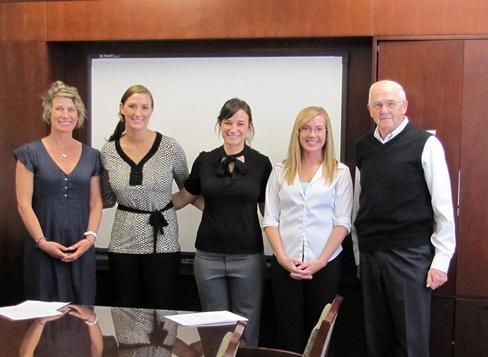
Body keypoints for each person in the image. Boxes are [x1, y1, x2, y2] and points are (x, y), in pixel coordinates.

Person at [352, 80, 456, 357]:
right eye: (378, 104)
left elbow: (443, 206)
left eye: (391, 103)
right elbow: (360, 205)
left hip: (411, 255)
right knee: (376, 339)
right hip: (372, 255)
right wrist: (359, 255)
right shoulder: (363, 147)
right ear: (369, 110)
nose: (384, 110)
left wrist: (441, 260)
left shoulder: (425, 143)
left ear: (404, 106)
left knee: (411, 342)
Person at [172, 98, 272, 346]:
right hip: (208, 257)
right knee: (213, 328)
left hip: (248, 257)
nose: (233, 129)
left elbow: (267, 211)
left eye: (240, 123)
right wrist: (146, 203)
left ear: (250, 127)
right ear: (220, 124)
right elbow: (186, 196)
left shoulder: (262, 163)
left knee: (245, 327)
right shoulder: (205, 160)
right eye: (228, 122)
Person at [262, 106, 353, 353]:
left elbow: (342, 222)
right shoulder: (280, 171)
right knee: (288, 331)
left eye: (318, 128)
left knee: (320, 333)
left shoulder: (340, 172)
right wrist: (281, 258)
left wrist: (321, 261)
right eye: (306, 128)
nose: (312, 134)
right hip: (286, 265)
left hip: (325, 265)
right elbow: (270, 219)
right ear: (298, 132)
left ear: (327, 133)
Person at [101, 84, 188, 309]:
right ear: (122, 108)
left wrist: (164, 207)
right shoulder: (108, 152)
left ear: (152, 110)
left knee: (162, 312)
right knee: (125, 310)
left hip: (163, 243)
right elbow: (106, 198)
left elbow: (189, 189)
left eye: (144, 107)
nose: (137, 113)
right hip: (122, 244)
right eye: (132, 106)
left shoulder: (170, 147)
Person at [14, 81, 102, 305]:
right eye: (59, 108)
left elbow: (95, 202)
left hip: (81, 250)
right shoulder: (30, 153)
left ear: (78, 114)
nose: (65, 114)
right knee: (42, 316)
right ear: (49, 112)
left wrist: (89, 239)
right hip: (42, 249)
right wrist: (42, 242)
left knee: (82, 314)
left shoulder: (92, 156)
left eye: (71, 109)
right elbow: (23, 204)